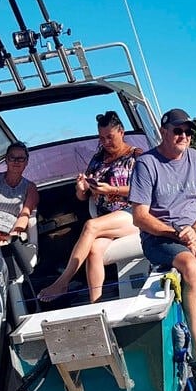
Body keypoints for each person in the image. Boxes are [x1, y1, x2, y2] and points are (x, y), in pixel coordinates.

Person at [129, 108, 196, 391]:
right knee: (190, 265)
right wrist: (180, 235)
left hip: (195, 234)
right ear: (163, 132)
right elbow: (140, 216)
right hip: (159, 238)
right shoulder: (147, 163)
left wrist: (195, 232)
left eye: (188, 132)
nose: (184, 136)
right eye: (178, 130)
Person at [38, 111, 142, 303]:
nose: (105, 142)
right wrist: (81, 188)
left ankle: (62, 283)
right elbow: (82, 196)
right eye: (101, 138)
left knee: (90, 226)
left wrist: (112, 189)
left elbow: (145, 189)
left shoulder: (137, 157)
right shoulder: (97, 159)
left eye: (109, 137)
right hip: (107, 218)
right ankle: (96, 303)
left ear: (121, 132)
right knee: (94, 250)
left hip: (133, 214)